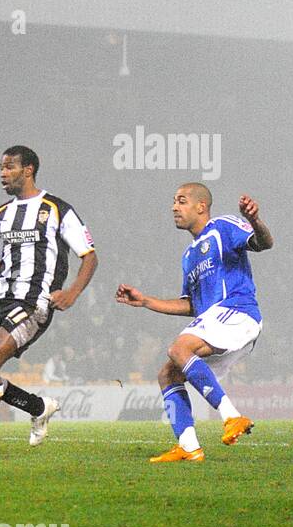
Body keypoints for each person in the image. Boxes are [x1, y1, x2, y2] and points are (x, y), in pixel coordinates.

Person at [0, 146, 99, 459]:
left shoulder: (57, 209)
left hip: (34, 300)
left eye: (10, 167)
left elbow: (90, 257)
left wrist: (72, 292)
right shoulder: (1, 215)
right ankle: (39, 407)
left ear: (28, 170)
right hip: (3, 300)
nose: (3, 174)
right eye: (1, 168)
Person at [116, 185, 273, 462]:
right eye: (174, 201)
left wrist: (255, 220)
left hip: (237, 311)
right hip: (215, 320)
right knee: (168, 374)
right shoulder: (189, 256)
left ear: (201, 206)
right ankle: (189, 447)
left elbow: (263, 244)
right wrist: (145, 301)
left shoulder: (222, 227)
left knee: (179, 348)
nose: (174, 207)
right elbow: (192, 305)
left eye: (181, 201)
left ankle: (232, 417)